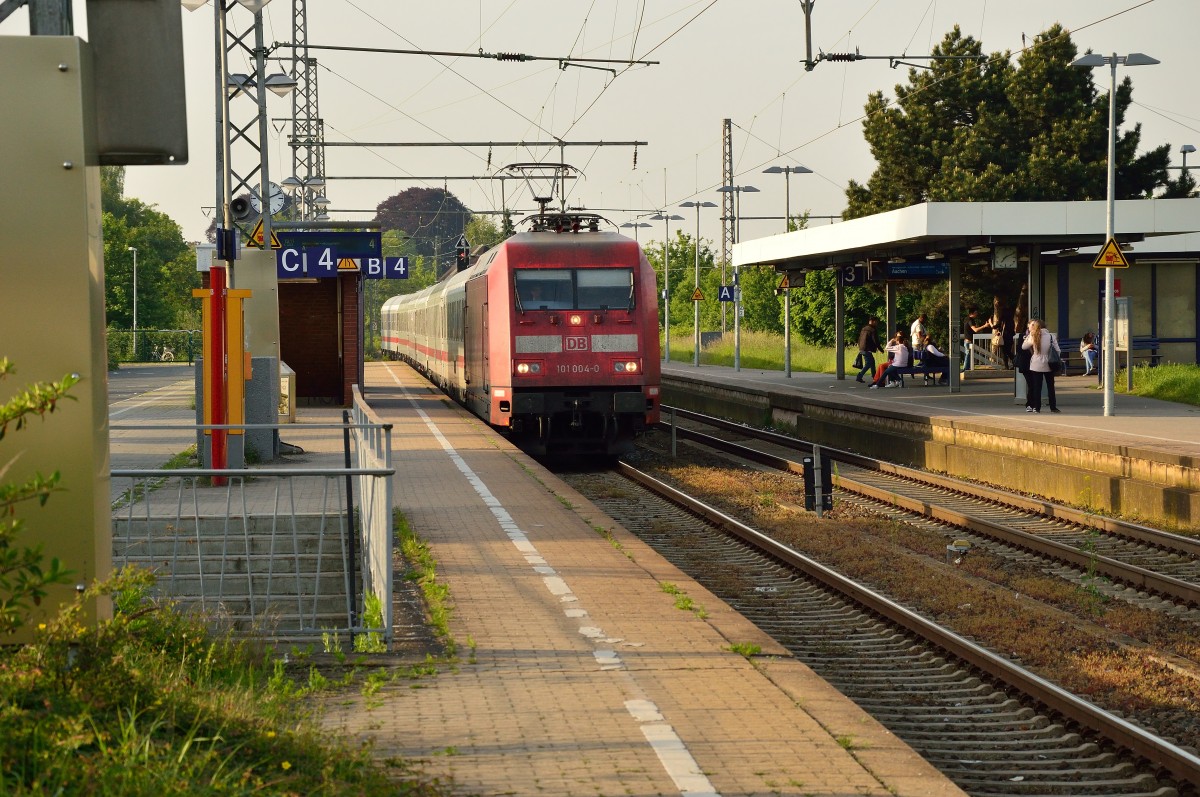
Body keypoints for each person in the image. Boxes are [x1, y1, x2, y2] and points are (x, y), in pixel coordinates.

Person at [1021, 318, 1061, 414]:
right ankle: (1053, 407)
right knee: (1050, 386)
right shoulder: (1051, 336)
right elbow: (1058, 350)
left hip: (1036, 363)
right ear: (1045, 326)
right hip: (1049, 364)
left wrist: (1029, 336)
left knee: (1037, 386)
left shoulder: (1033, 335)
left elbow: (1024, 347)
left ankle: (1037, 407)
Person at [855, 317, 883, 383]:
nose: (877, 323)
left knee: (872, 363)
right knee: (869, 363)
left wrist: (860, 347)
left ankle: (875, 377)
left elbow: (859, 339)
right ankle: (859, 376)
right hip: (867, 349)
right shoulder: (872, 330)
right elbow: (875, 340)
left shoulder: (864, 329)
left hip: (862, 348)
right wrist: (880, 348)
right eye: (876, 322)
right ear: (873, 321)